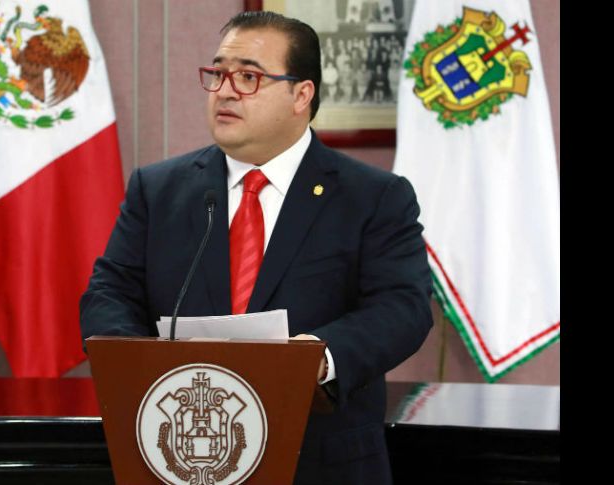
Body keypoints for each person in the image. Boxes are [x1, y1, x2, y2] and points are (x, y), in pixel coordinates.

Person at [80, 11, 432, 485]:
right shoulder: (158, 190)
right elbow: (110, 292)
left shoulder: (373, 197)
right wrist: (136, 363)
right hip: (182, 455)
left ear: (301, 95)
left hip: (320, 462)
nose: (224, 91)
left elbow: (403, 307)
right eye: (218, 73)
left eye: (248, 77)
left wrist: (317, 357)